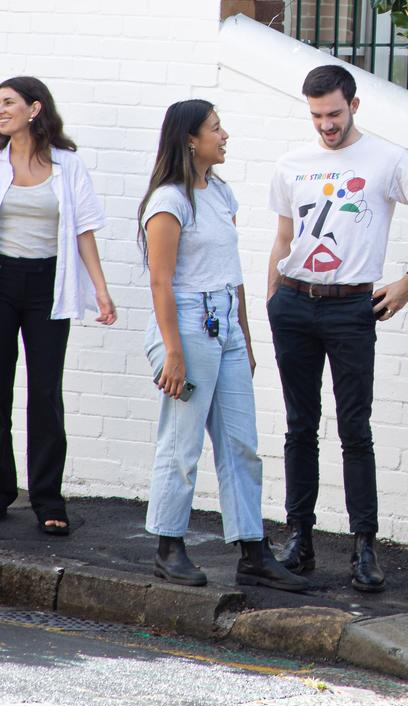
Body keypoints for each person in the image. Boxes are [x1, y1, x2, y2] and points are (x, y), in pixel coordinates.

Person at [266, 64, 408, 592]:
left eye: (334, 113)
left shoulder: (389, 159)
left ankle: (364, 546)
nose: (326, 125)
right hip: (293, 301)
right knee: (299, 424)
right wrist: (272, 298)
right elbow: (283, 237)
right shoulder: (292, 163)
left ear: (354, 105)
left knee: (355, 428)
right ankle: (300, 538)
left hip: (351, 307)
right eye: (316, 115)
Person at [139, 99, 305, 592]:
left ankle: (252, 550)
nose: (225, 135)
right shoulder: (169, 201)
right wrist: (172, 351)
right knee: (181, 442)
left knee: (241, 443)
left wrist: (246, 340)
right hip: (186, 328)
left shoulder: (221, 193)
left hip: (225, 326)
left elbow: (232, 275)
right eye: (216, 128)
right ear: (191, 139)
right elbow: (161, 283)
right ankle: (168, 548)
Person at [0, 76, 116, 535]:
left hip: (49, 283)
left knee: (46, 392)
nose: (0, 110)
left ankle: (48, 497)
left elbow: (84, 230)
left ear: (34, 108)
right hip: (2, 278)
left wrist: (101, 291)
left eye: (7, 102)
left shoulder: (68, 166)